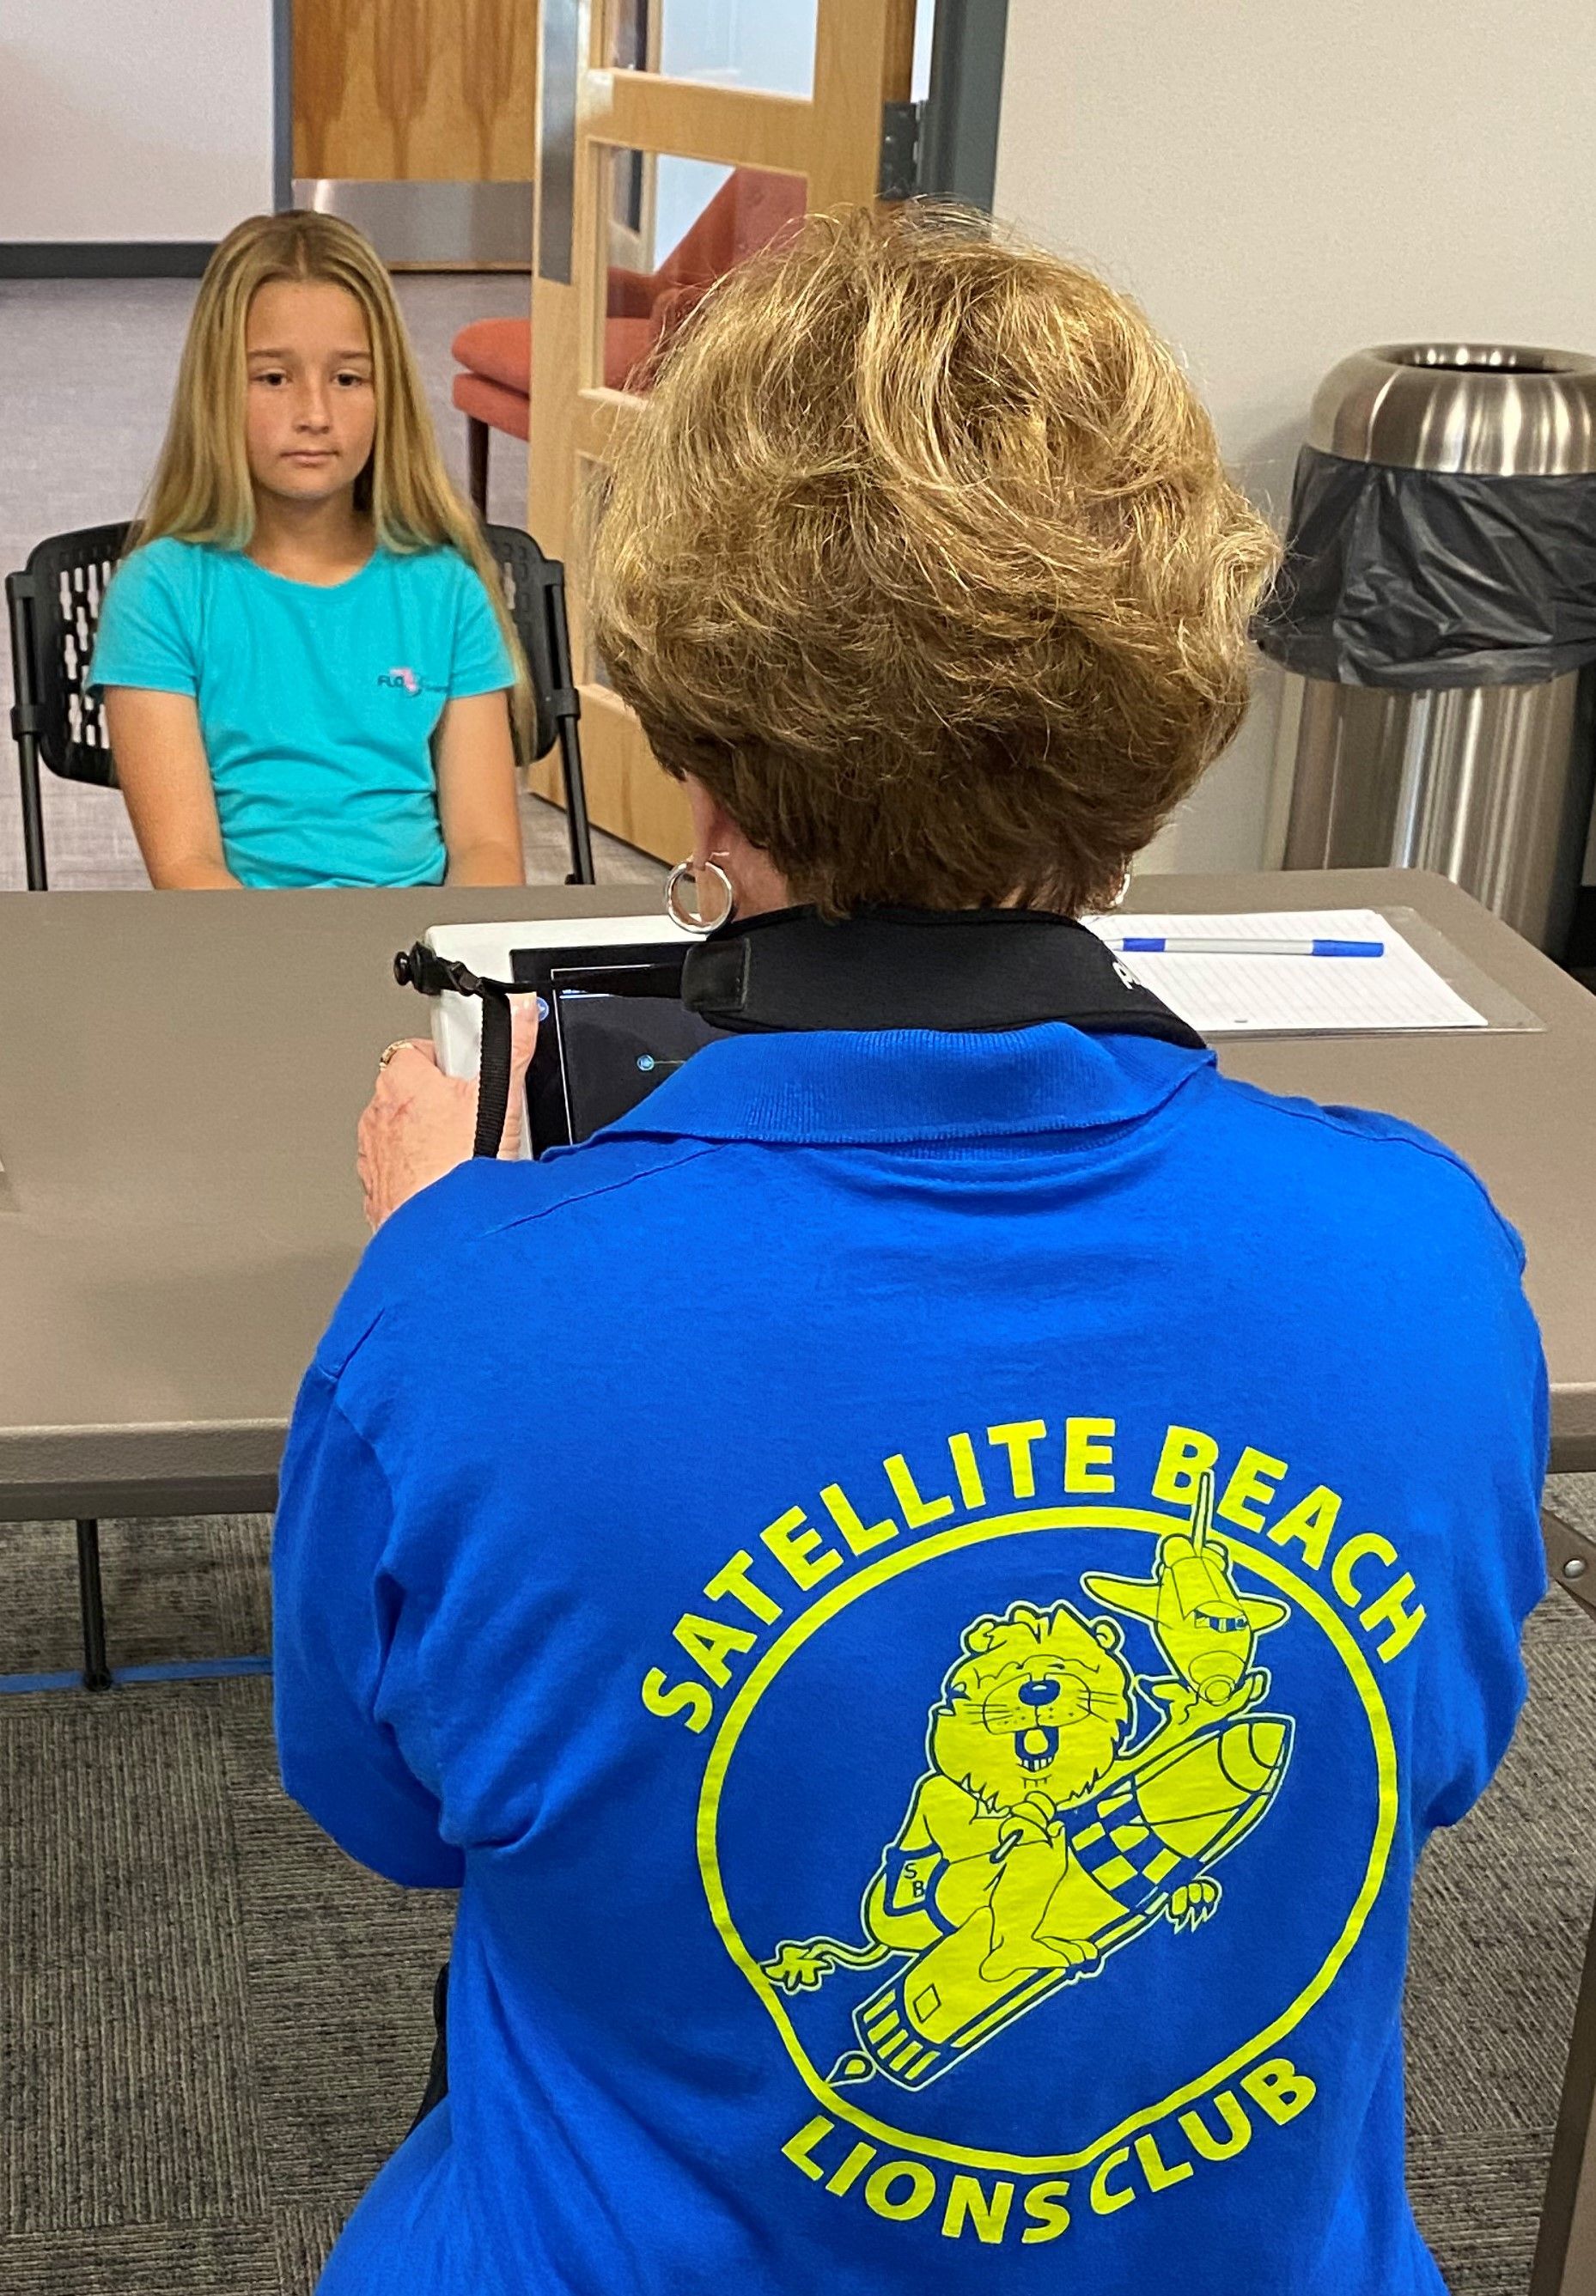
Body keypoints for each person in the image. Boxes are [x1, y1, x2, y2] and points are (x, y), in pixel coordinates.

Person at [272, 207, 1546, 2295]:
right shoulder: (1419, 1254)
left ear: (680, 732)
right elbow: (1425, 1761)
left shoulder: (461, 1311)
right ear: (1162, 740)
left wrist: (448, 1260)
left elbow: (388, 1810)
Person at [88, 211, 526, 890]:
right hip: (243, 958)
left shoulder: (447, 588)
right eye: (273, 379)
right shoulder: (161, 593)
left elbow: (487, 848)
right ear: (216, 391)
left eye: (348, 379)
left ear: (388, 396)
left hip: (422, 957)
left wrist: (450, 977)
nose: (315, 413)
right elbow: (186, 867)